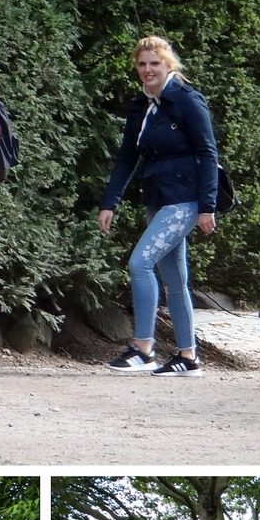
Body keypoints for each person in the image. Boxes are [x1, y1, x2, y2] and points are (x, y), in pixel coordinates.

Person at [98, 36, 220, 377]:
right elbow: (127, 157)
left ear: (169, 65)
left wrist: (207, 207)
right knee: (175, 280)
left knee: (139, 263)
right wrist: (110, 203)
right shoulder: (141, 104)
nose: (148, 69)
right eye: (142, 64)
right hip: (158, 197)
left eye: (155, 63)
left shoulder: (186, 100)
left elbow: (209, 153)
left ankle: (143, 349)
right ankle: (188, 357)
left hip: (184, 200)